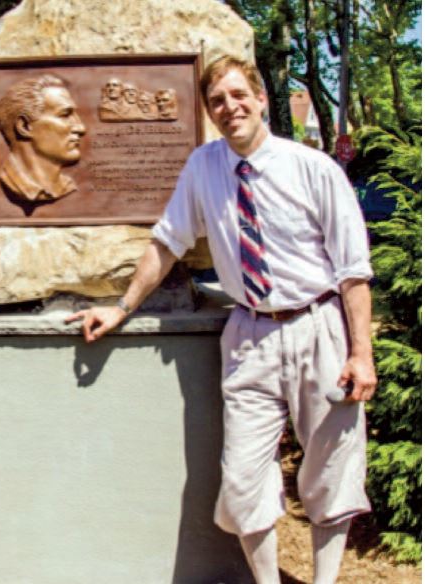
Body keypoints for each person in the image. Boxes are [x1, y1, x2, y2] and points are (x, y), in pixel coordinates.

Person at [67, 56, 377, 584]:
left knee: (331, 472)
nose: (229, 107)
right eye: (217, 101)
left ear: (260, 99)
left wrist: (360, 353)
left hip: (317, 327)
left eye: (239, 95)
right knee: (242, 481)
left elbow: (352, 271)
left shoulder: (313, 168)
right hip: (249, 334)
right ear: (210, 113)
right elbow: (167, 243)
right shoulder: (202, 167)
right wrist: (121, 308)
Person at [0, 74, 86, 202]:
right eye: (65, 115)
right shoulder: (11, 183)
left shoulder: (68, 186)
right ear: (25, 127)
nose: (81, 128)